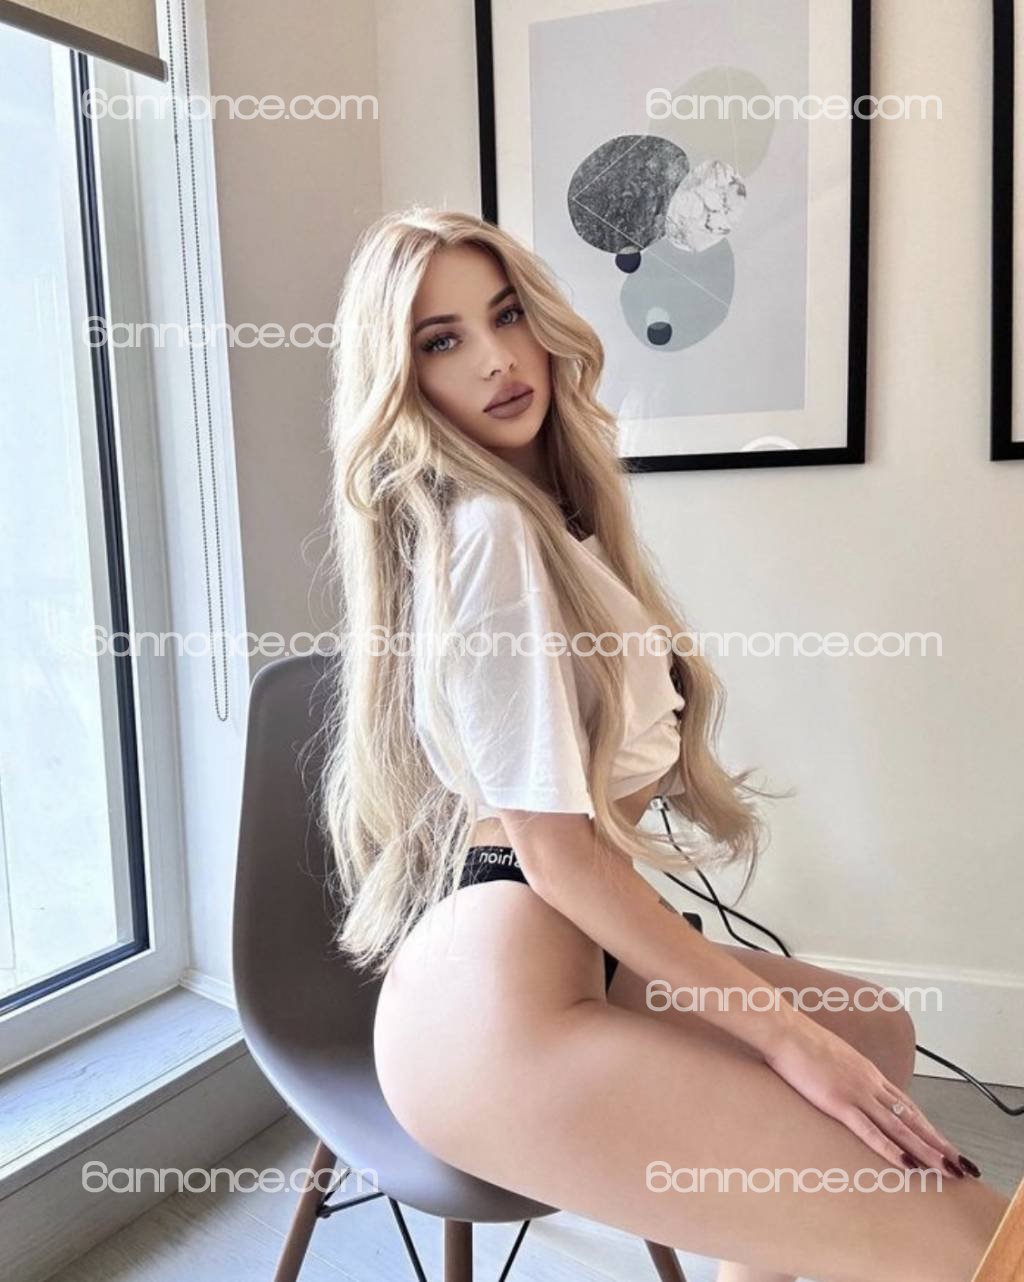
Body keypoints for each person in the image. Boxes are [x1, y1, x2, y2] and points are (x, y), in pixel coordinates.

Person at [317, 206, 1019, 1282]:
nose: (498, 359)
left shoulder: (551, 521)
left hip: (557, 954)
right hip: (496, 1003)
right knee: (971, 1240)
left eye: (507, 316)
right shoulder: (491, 531)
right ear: (402, 378)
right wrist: (786, 1038)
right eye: (442, 340)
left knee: (872, 1027)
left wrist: (810, 1035)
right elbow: (557, 854)